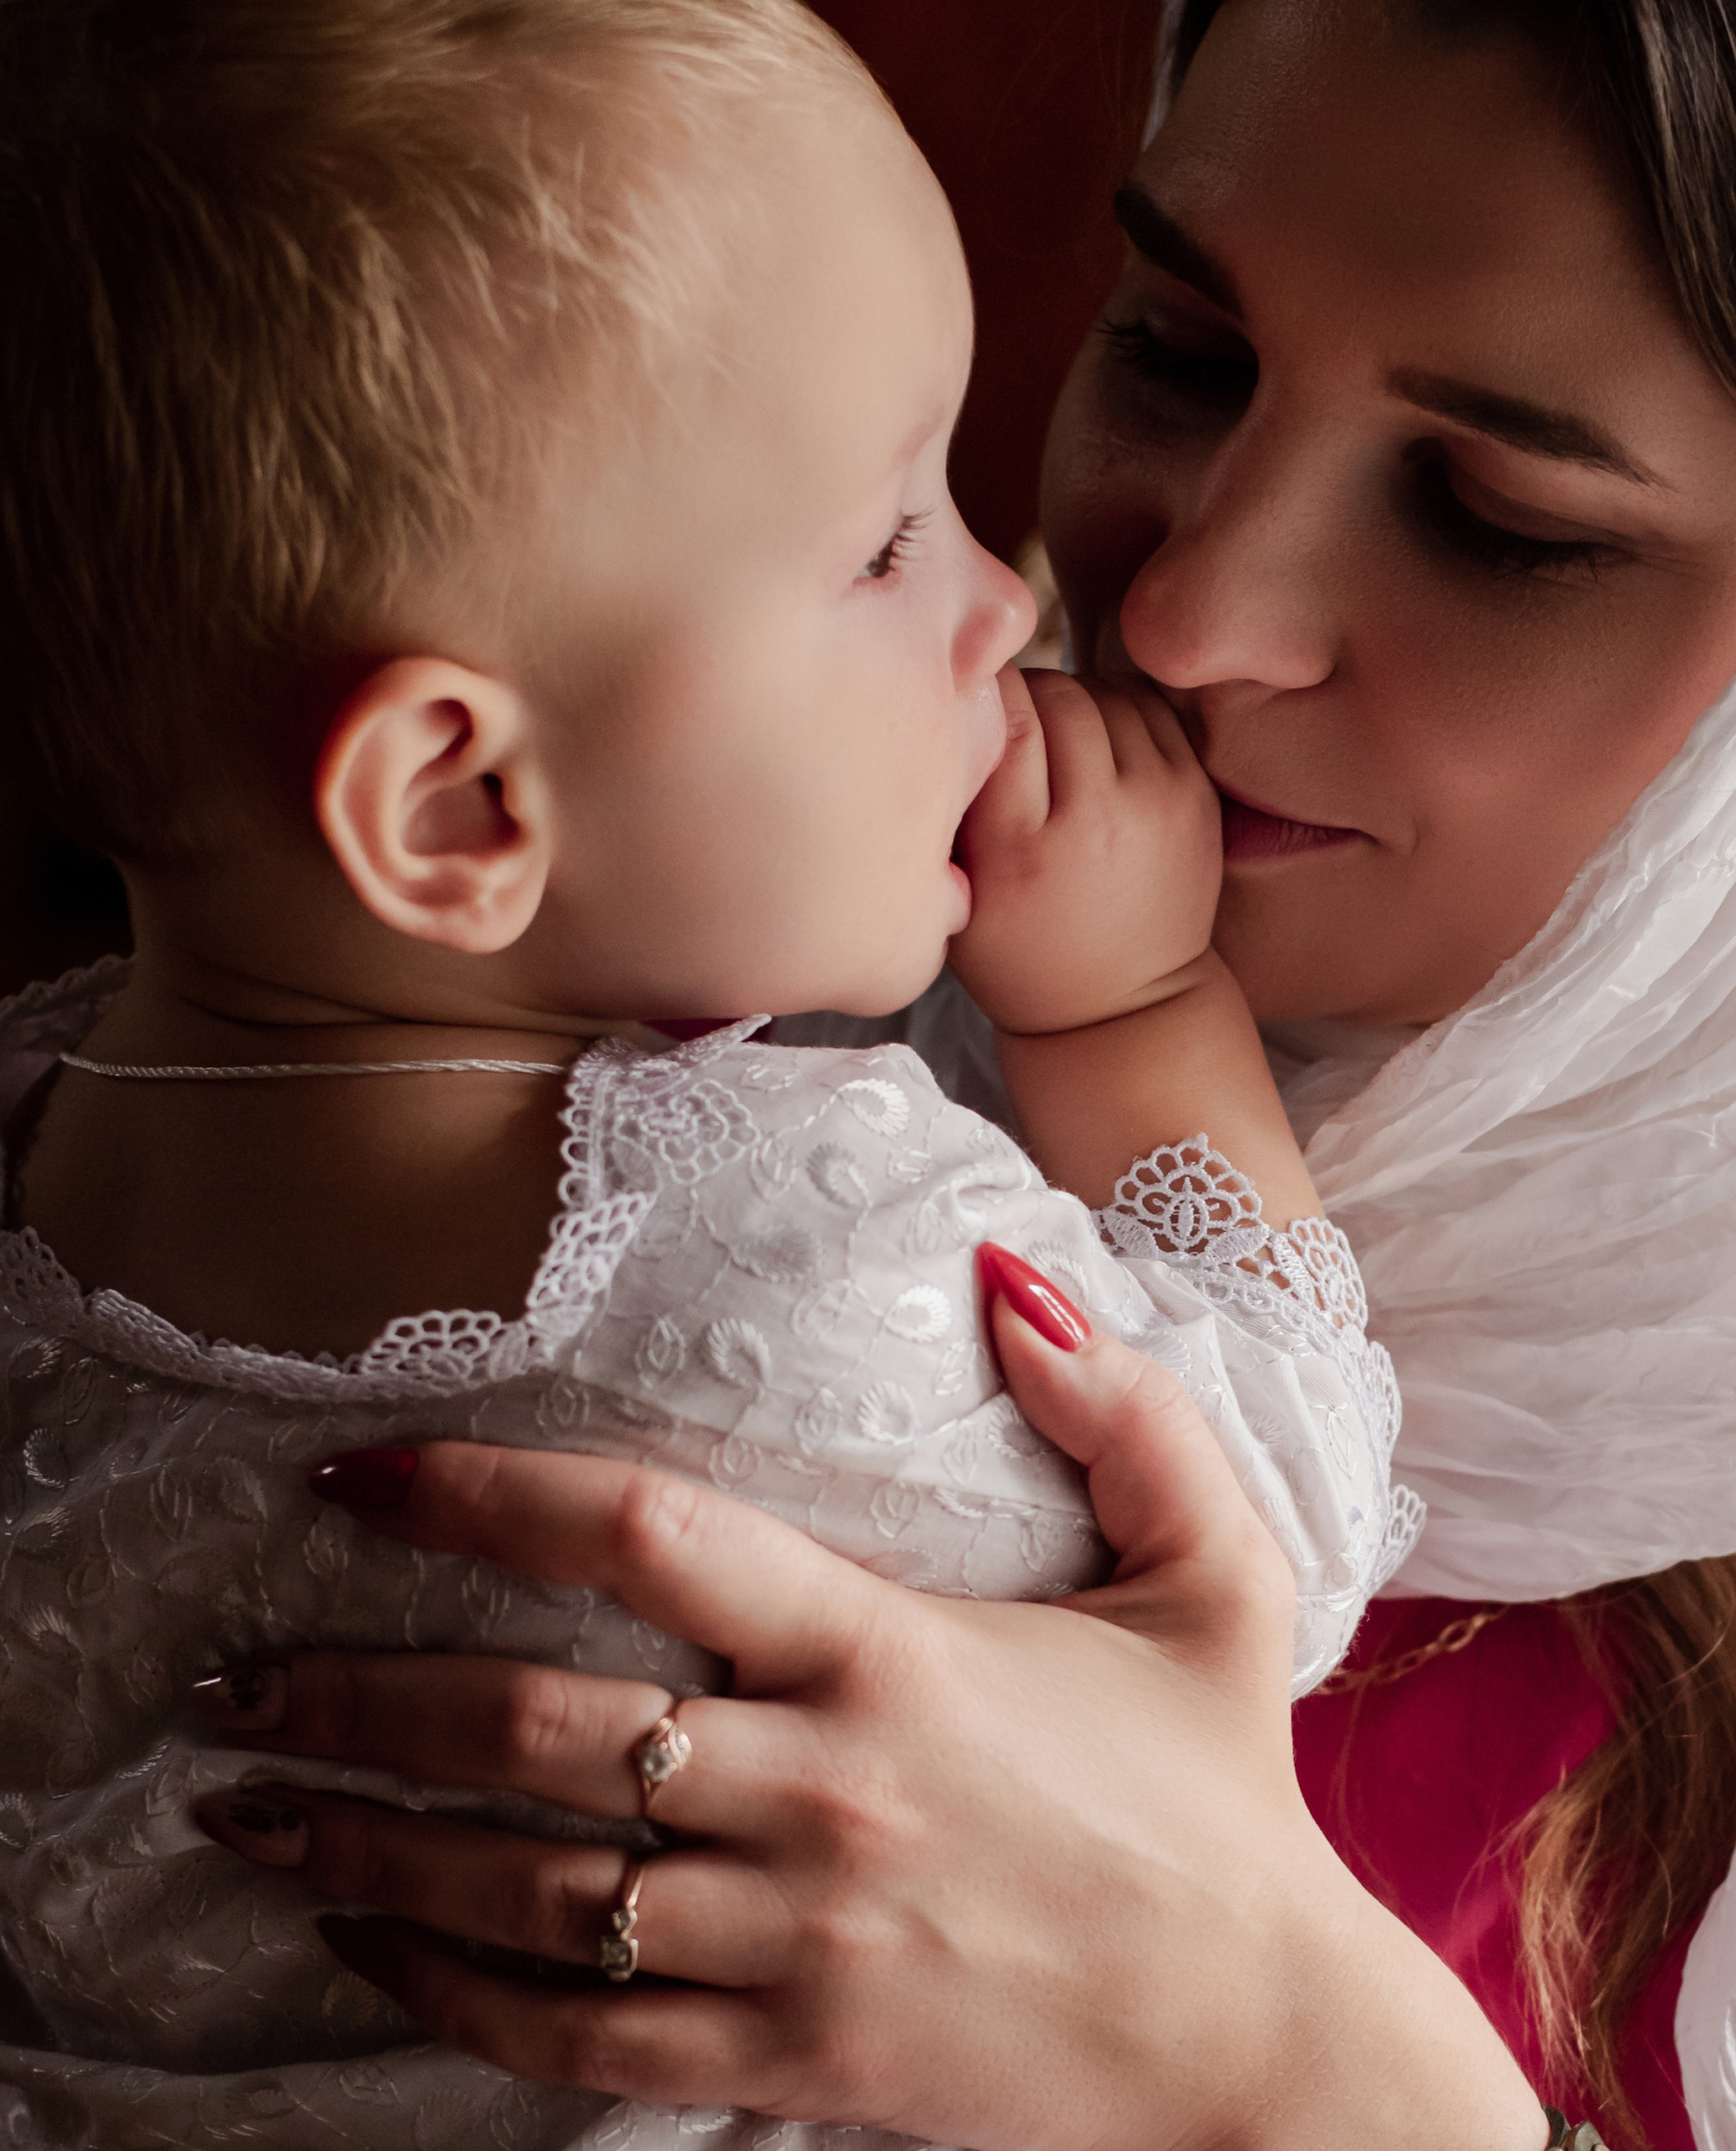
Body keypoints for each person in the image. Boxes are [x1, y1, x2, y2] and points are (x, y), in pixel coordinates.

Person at [16, 0, 1736, 2147]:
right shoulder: (637, 885)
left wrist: (1292, 2055)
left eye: (1500, 517)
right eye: (1179, 351)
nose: (1187, 609)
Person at [0, 0, 1428, 2141]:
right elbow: (1266, 1533)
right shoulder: (801, 1253)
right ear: (459, 807)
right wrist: (1129, 1012)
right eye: (881, 548)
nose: (1002, 603)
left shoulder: (36, 1134)